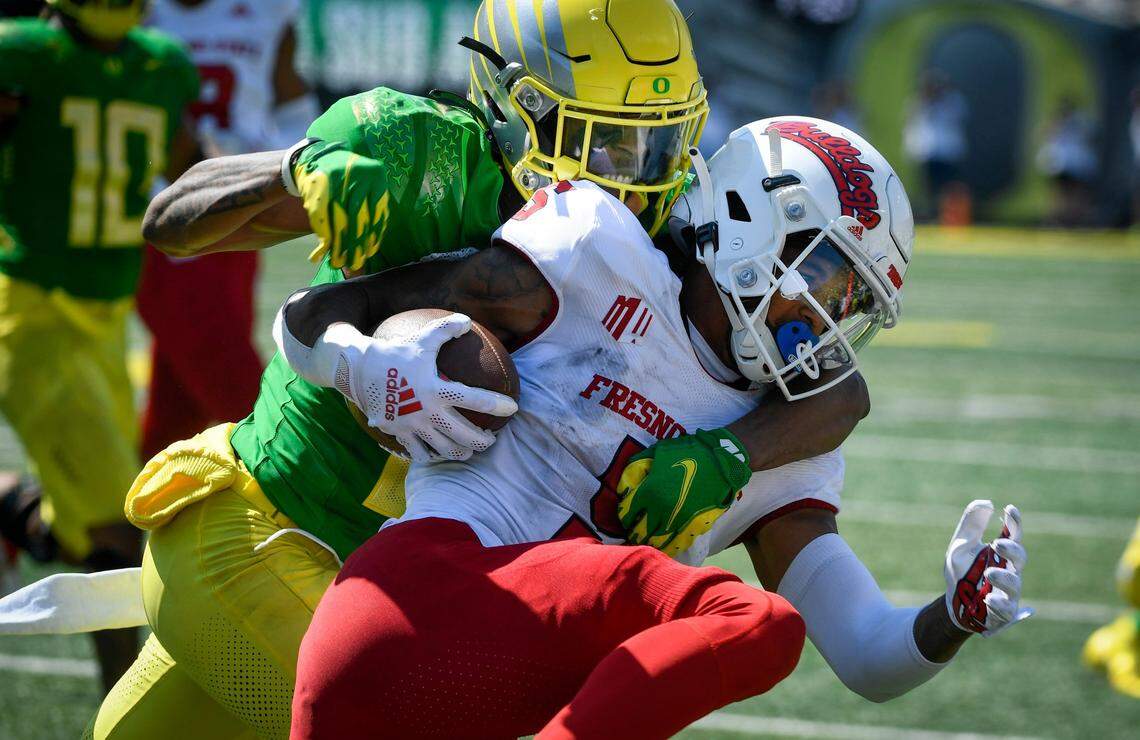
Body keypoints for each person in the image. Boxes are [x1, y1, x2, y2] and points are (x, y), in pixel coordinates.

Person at [88, 2, 795, 738]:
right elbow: (172, 219)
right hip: (265, 538)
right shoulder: (431, 162)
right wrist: (296, 170)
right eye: (606, 143)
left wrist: (734, 452)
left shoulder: (664, 223)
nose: (637, 179)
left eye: (658, 143)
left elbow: (836, 392)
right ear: (516, 114)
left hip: (373, 583)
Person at [284, 119, 1031, 738]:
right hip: (418, 604)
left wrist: (951, 619)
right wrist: (366, 362)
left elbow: (869, 657)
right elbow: (314, 314)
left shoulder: (784, 436)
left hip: (491, 703)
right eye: (831, 280)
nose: (830, 321)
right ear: (755, 217)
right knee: (751, 621)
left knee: (763, 628)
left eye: (853, 306)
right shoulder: (592, 249)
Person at [0, 0, 198, 690]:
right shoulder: (22, 52)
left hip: (110, 319)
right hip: (34, 312)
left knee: (90, 532)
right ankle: (123, 711)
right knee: (118, 536)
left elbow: (189, 164)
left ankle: (7, 501)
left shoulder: (163, 64)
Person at [135, 0, 319, 460]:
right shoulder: (133, 13)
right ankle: (289, 475)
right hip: (163, 215)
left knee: (178, 406)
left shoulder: (265, 10)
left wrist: (311, 164)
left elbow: (289, 92)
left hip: (245, 210)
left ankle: (138, 509)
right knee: (235, 391)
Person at [904, 72, 968, 222]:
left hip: (948, 153)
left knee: (949, 188)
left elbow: (959, 115)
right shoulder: (919, 102)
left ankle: (949, 217)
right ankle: (930, 215)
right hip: (928, 152)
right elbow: (913, 120)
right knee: (928, 188)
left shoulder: (953, 101)